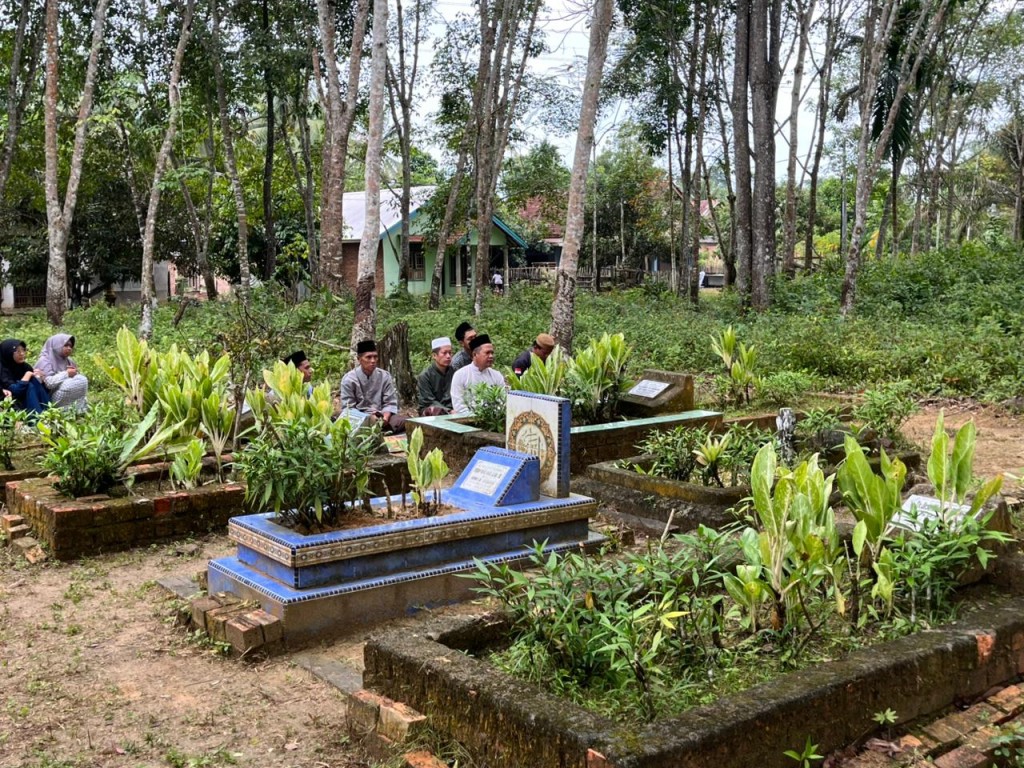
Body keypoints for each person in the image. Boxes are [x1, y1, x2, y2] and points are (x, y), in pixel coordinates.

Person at [340, 340, 406, 433]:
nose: (373, 361)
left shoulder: (384, 376)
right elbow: (348, 408)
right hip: (360, 419)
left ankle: (383, 432)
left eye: (375, 357)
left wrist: (386, 417)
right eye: (368, 357)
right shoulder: (349, 380)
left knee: (405, 422)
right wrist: (368, 418)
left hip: (382, 416)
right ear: (359, 359)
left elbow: (390, 402)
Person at [450, 334, 507, 415]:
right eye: (487, 353)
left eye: (492, 353)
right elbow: (459, 406)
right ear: (474, 354)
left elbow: (502, 402)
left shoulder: (497, 376)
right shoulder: (460, 375)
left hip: (493, 420)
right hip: (467, 422)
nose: (491, 356)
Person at [36, 333, 89, 412]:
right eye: (66, 345)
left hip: (62, 393)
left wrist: (74, 374)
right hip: (48, 398)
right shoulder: (45, 360)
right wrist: (66, 374)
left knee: (81, 381)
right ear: (56, 345)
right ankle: (60, 410)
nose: (69, 348)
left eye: (70, 346)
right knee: (77, 381)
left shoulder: (69, 360)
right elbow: (49, 384)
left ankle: (77, 410)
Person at [0, 339, 50, 415]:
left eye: (23, 350)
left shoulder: (25, 366)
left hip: (27, 401)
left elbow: (43, 390)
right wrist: (27, 375)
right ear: (8, 353)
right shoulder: (2, 369)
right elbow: (16, 391)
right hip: (10, 404)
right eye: (18, 351)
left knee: (33, 380)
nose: (22, 354)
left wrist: (41, 379)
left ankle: (48, 413)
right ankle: (37, 418)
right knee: (29, 385)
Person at [417, 337, 454, 416]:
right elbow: (428, 401)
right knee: (434, 410)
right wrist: (448, 411)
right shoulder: (425, 376)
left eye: (450, 353)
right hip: (432, 409)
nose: (448, 356)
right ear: (434, 355)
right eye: (444, 353)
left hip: (453, 410)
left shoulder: (455, 372)